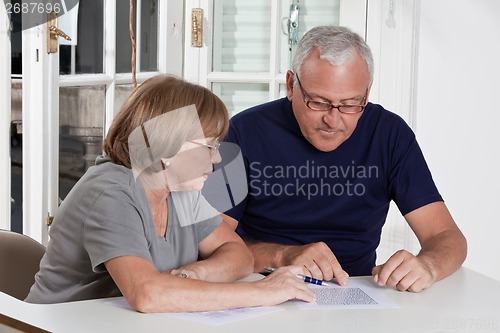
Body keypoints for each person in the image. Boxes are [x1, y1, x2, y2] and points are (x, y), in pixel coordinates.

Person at [25, 75, 314, 312]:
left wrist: (194, 274)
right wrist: (262, 291)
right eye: (208, 146)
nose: (215, 160)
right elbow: (147, 294)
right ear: (165, 144)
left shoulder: (178, 189)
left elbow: (239, 256)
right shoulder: (110, 192)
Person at [224, 25, 467, 292]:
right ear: (292, 85)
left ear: (367, 93)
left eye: (351, 104)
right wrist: (282, 255)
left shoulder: (390, 134)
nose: (333, 120)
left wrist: (428, 266)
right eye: (318, 102)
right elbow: (207, 238)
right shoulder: (241, 130)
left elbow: (446, 235)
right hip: (262, 285)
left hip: (355, 290)